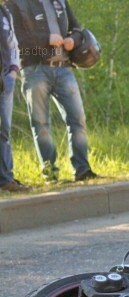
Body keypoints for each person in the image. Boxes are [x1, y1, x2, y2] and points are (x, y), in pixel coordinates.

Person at [6, 0, 98, 183]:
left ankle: (82, 170)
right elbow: (14, 37)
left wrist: (74, 39)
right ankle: (51, 174)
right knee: (41, 124)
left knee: (78, 119)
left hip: (64, 68)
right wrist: (45, 39)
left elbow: (77, 27)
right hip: (34, 70)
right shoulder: (14, 4)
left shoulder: (59, 1)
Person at [0, 0, 29, 192]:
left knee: (4, 130)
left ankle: (5, 179)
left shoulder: (5, 11)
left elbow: (13, 44)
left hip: (5, 79)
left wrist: (13, 70)